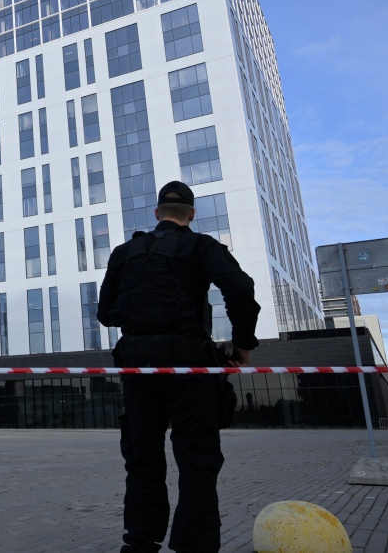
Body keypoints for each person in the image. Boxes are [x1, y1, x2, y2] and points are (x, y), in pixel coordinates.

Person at [98, 181, 261, 553]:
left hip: (136, 365)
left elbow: (105, 314)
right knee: (197, 458)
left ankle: (139, 544)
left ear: (157, 214)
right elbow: (239, 288)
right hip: (189, 363)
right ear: (191, 214)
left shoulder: (125, 252)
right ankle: (194, 546)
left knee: (142, 457)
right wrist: (242, 344)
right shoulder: (201, 245)